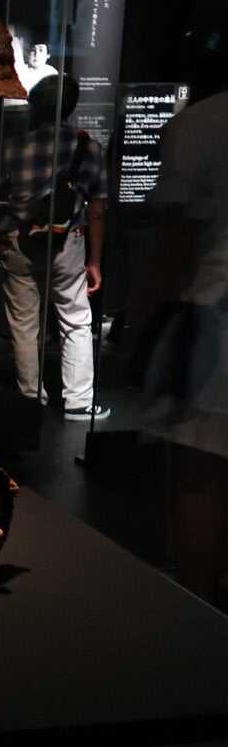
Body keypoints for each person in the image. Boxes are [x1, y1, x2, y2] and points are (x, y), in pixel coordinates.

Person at [121, 89, 228, 606]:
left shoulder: (205, 122)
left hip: (215, 315)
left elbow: (176, 246)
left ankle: (197, 611)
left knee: (200, 479)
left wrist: (136, 332)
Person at [0, 73, 110, 420]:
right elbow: (98, 210)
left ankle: (30, 398)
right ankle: (78, 402)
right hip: (68, 241)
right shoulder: (89, 148)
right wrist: (95, 261)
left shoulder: (13, 147)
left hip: (19, 239)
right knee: (75, 320)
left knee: (25, 324)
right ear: (71, 108)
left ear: (34, 107)